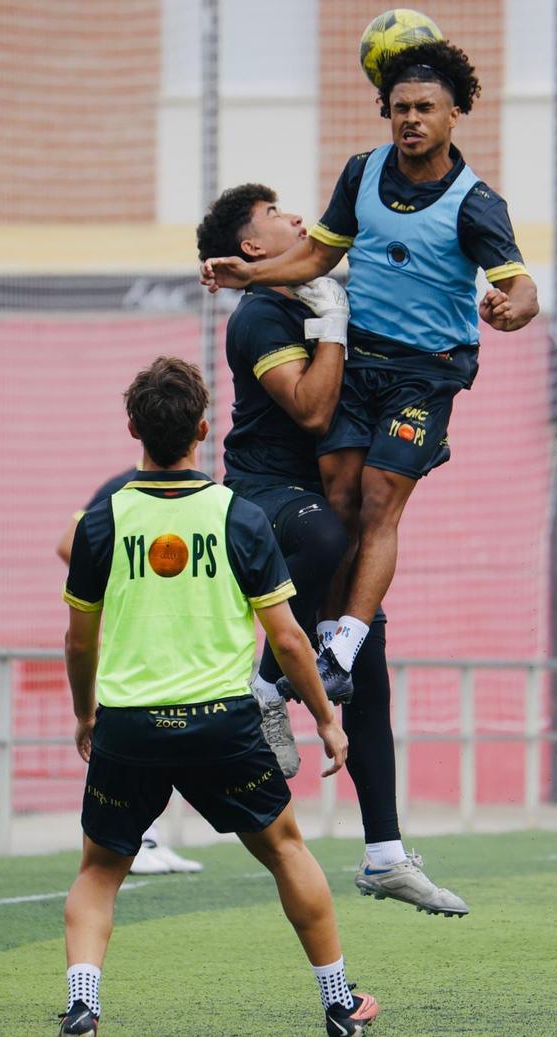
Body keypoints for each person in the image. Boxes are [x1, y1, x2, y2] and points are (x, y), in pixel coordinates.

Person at [201, 41, 539, 701]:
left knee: (381, 495)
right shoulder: (361, 174)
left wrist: (512, 308)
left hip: (427, 371)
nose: (410, 118)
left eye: (425, 108)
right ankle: (324, 634)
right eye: (400, 108)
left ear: (454, 115)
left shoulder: (475, 204)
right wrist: (251, 272)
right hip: (364, 359)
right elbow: (316, 256)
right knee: (340, 492)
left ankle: (342, 650)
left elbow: (522, 287)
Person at [59, 357, 378, 1036]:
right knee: (286, 849)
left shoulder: (101, 521)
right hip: (221, 725)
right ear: (204, 428)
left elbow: (79, 641)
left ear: (132, 429)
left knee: (100, 867)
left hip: (130, 726)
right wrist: (327, 717)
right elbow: (289, 640)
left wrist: (86, 711)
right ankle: (339, 1002)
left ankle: (85, 1003)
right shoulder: (238, 515)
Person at [196, 183, 468, 917]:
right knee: (326, 530)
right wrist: (337, 321)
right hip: (269, 499)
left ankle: (385, 856)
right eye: (277, 215)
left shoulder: (321, 287)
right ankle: (263, 689)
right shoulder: (262, 313)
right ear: (253, 247)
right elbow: (315, 408)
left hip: (330, 496)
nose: (296, 217)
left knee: (367, 664)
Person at [58, 474, 204, 876]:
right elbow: (68, 543)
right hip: (139, 644)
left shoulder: (205, 495)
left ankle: (150, 836)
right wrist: (125, 584)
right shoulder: (124, 488)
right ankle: (140, 839)